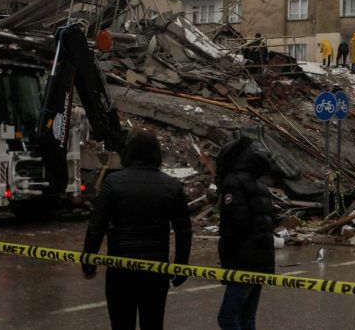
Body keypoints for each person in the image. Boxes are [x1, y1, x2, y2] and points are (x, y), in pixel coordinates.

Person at [83, 130, 192, 330]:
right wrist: (181, 266)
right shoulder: (172, 186)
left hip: (120, 268)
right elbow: (183, 230)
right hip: (156, 268)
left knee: (122, 324)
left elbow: (96, 225)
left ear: (129, 153)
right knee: (153, 323)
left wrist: (88, 260)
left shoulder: (113, 183)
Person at [216, 136, 275, 330]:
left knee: (227, 317)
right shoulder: (260, 184)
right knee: (247, 317)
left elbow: (236, 224)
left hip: (242, 261)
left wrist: (226, 254)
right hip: (260, 259)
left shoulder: (233, 181)